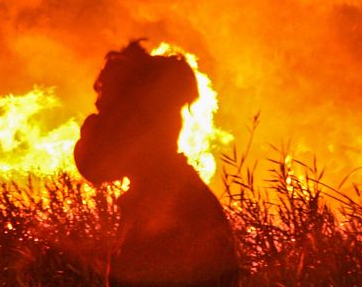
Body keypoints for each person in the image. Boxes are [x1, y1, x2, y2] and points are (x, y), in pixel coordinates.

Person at [74, 41, 240, 286]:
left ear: (138, 122)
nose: (97, 120)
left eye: (109, 113)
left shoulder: (174, 210)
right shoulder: (158, 197)